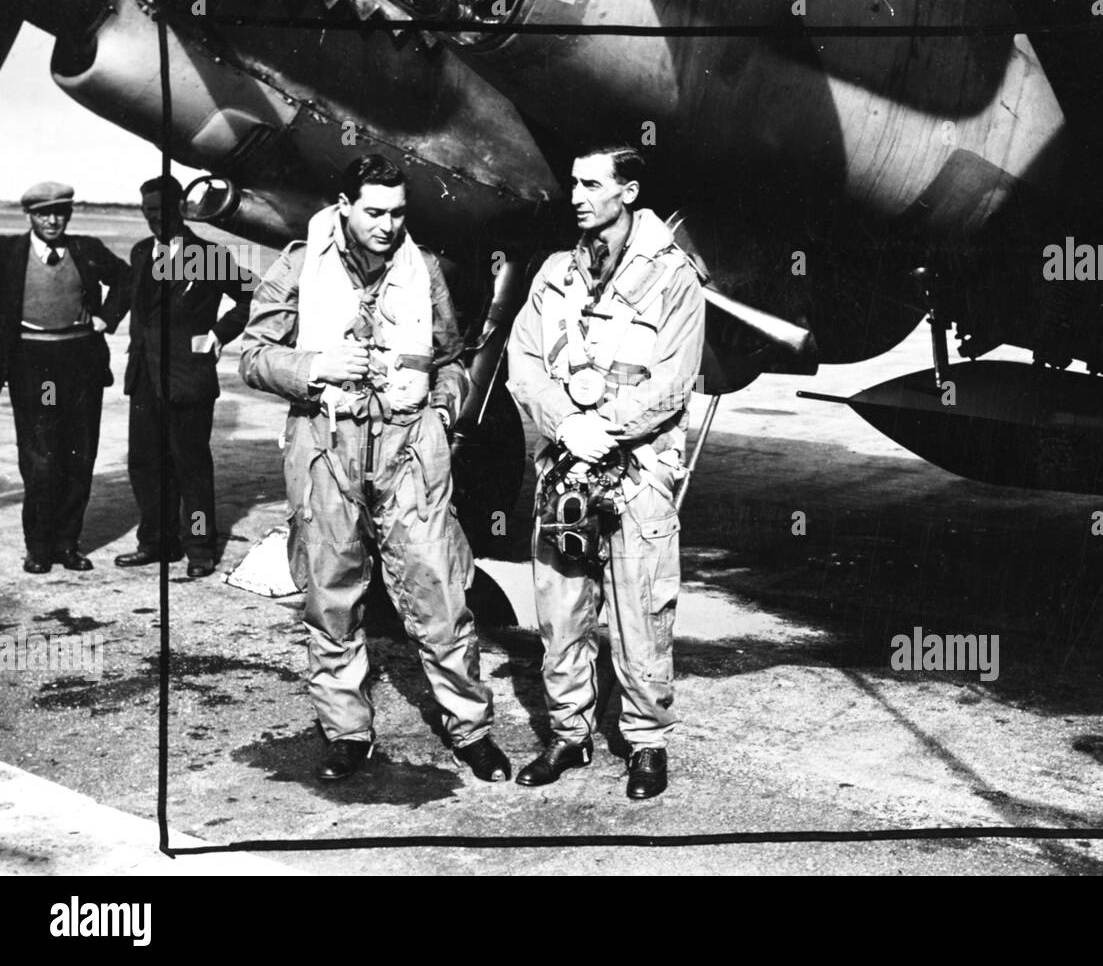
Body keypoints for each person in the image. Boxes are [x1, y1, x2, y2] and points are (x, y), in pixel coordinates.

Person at [239, 153, 510, 784]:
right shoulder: (299, 265)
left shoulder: (425, 271)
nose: (388, 226)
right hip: (325, 443)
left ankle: (469, 728)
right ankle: (346, 733)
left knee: (440, 593)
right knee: (331, 596)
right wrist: (315, 368)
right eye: (375, 212)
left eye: (398, 213)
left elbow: (449, 358)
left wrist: (442, 413)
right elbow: (253, 356)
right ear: (344, 204)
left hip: (410, 447)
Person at [506, 145, 706, 800]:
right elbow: (524, 362)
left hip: (639, 469)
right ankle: (569, 734)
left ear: (629, 192)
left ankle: (646, 741)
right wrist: (567, 425)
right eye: (573, 182)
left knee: (642, 607)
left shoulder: (673, 277)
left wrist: (606, 427)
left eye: (592, 184)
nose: (576, 194)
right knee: (562, 607)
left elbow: (674, 382)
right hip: (566, 465)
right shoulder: (555, 273)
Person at [112, 176, 252, 578]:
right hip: (145, 378)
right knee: (144, 464)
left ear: (180, 208)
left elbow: (249, 295)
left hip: (188, 377)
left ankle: (199, 550)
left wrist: (219, 334)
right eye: (147, 212)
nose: (154, 219)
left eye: (160, 210)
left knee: (190, 466)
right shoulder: (141, 253)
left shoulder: (207, 255)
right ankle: (156, 542)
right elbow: (128, 301)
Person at [0, 182, 127, 574]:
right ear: (30, 216)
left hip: (79, 364)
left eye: (60, 213)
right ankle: (38, 548)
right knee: (41, 457)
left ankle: (67, 543)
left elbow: (128, 278)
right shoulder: (7, 252)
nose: (52, 220)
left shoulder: (86, 249)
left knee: (79, 452)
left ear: (68, 215)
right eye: (43, 213)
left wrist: (108, 315)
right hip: (34, 366)